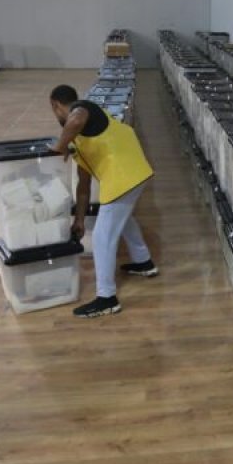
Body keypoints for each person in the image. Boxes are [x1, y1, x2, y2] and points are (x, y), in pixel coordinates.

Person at [48, 85, 158, 318]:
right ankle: (144, 262)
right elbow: (84, 186)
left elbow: (75, 120)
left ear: (56, 105)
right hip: (135, 173)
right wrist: (79, 220)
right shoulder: (80, 140)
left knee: (102, 236)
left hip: (124, 177)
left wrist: (58, 148)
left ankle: (106, 298)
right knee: (124, 220)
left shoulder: (83, 109)